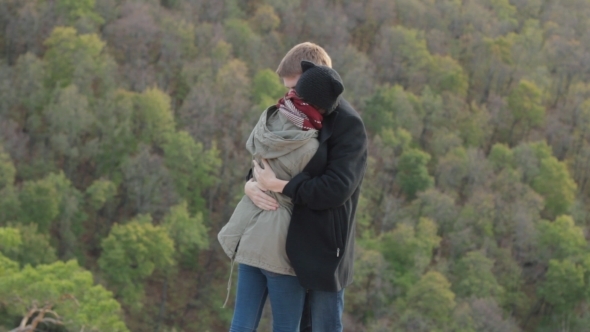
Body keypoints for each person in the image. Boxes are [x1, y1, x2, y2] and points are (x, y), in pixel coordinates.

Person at [247, 42, 368, 332]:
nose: (293, 97)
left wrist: (281, 185)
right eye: (289, 90)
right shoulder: (297, 114)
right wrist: (250, 185)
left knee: (324, 326)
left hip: (326, 252)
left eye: (297, 88)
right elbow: (269, 161)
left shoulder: (348, 125)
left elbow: (336, 189)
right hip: (288, 249)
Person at [218, 60, 346, 332]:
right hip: (283, 245)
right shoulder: (312, 146)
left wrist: (251, 184)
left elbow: (257, 166)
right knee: (287, 326)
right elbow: (324, 191)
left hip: (251, 231)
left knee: (242, 322)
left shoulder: (270, 118)